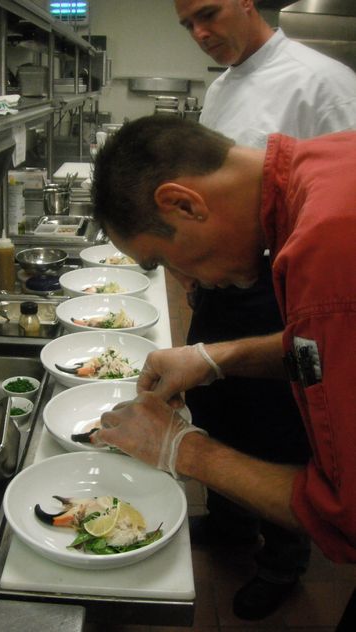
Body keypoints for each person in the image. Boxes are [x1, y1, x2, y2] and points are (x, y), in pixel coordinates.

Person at [89, 114, 356, 614]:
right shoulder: (327, 162)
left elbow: (345, 518)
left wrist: (184, 451)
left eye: (164, 260)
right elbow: (322, 347)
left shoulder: (328, 245)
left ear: (183, 203)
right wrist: (216, 358)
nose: (184, 280)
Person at [169, 0, 356, 618]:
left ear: (247, 0)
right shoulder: (222, 87)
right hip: (225, 276)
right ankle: (231, 523)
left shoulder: (321, 80)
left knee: (281, 422)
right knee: (216, 399)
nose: (199, 33)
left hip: (291, 279)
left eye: (209, 13)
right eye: (186, 26)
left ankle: (283, 559)